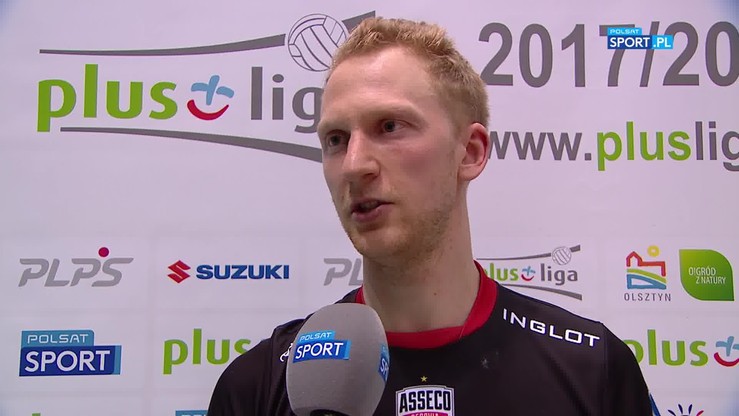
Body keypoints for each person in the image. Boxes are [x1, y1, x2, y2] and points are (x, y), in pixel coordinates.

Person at [207, 17, 653, 415]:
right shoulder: (261, 386)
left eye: (389, 127)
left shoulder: (592, 370)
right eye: (336, 139)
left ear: (470, 152)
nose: (354, 165)